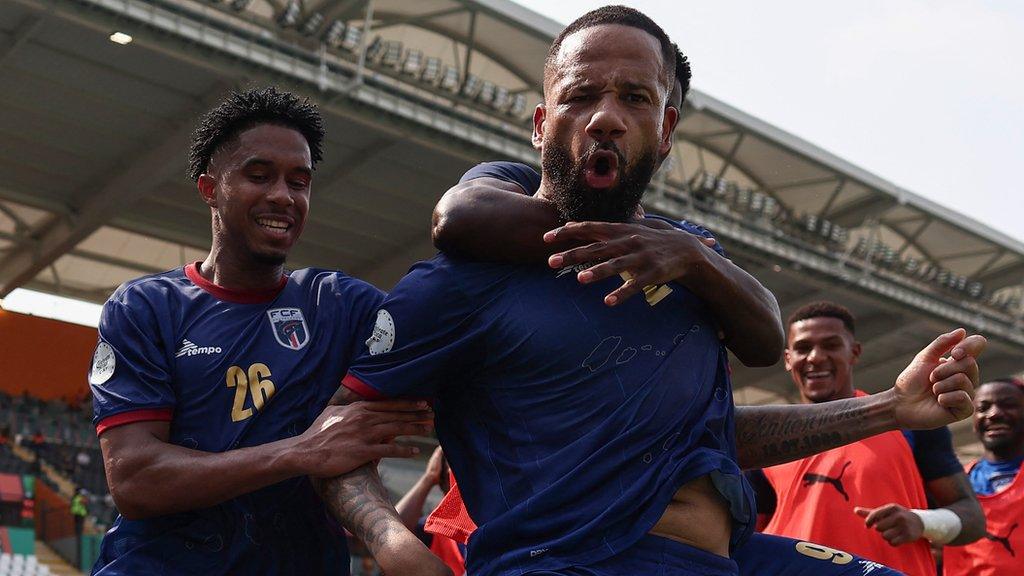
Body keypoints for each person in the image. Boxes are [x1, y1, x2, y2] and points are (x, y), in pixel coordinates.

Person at [316, 6, 985, 576]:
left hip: (729, 555)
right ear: (541, 123)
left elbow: (706, 432)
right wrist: (393, 544)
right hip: (568, 560)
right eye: (582, 96)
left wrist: (889, 409)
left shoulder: (687, 264)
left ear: (665, 131)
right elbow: (334, 435)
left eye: (634, 98)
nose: (606, 118)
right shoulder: (463, 278)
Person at [88, 87, 444, 576]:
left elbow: (454, 336)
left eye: (299, 182)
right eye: (259, 176)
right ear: (210, 188)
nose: (283, 195)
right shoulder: (146, 308)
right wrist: (302, 451)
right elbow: (136, 482)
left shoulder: (340, 304)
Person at [746, 302, 984, 576]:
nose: (815, 357)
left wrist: (921, 521)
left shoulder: (906, 422)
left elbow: (973, 518)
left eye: (831, 345)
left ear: (854, 352)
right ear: (788, 359)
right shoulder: (767, 437)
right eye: (803, 348)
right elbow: (745, 532)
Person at [943, 377, 1024, 575]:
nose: (994, 414)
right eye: (983, 407)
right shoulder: (951, 483)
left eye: (1009, 405)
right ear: (973, 422)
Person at [395, 447, 466, 576]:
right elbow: (394, 531)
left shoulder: (501, 520)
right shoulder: (435, 529)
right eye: (455, 474)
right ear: (443, 482)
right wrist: (429, 477)